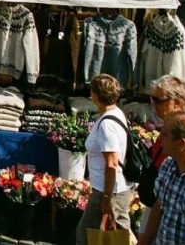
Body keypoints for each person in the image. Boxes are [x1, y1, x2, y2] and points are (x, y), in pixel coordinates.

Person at [76, 74, 133, 245]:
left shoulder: (107, 124)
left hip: (109, 190)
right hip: (110, 188)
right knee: (115, 235)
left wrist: (107, 198)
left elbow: (111, 163)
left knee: (87, 235)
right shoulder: (116, 113)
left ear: (95, 95)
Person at [136, 111, 185, 245]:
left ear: (181, 144)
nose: (159, 138)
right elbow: (159, 206)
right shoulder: (168, 165)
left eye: (164, 134)